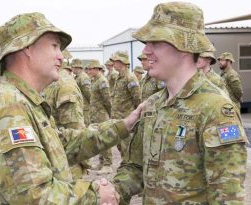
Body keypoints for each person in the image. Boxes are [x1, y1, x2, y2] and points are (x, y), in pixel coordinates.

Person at [0, 12, 143, 205]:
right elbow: (33, 195)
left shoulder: (23, 100)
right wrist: (95, 195)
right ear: (27, 47)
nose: (61, 57)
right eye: (54, 46)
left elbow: (61, 145)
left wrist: (123, 125)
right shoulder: (10, 105)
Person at [112, 2, 247, 204]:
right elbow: (137, 167)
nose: (146, 51)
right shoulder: (153, 104)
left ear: (185, 46)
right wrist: (113, 192)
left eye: (155, 42)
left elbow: (227, 197)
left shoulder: (216, 110)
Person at [109, 51, 141, 163]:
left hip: (126, 118)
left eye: (116, 61)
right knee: (120, 146)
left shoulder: (130, 77)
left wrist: (136, 116)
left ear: (122, 62)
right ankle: (125, 164)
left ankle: (129, 168)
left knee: (127, 147)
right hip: (118, 118)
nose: (113, 64)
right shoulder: (119, 77)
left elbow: (137, 98)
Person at [85, 59, 113, 174]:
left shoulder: (102, 81)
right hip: (95, 115)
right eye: (88, 69)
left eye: (91, 69)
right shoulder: (94, 81)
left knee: (104, 139)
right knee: (98, 140)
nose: (89, 71)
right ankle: (101, 162)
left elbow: (107, 100)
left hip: (102, 115)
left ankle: (108, 164)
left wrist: (110, 114)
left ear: (97, 69)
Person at [71, 58, 91, 126]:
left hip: (85, 108)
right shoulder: (77, 77)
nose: (72, 69)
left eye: (72, 67)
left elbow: (88, 93)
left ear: (77, 67)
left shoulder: (83, 77)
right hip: (80, 106)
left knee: (85, 126)